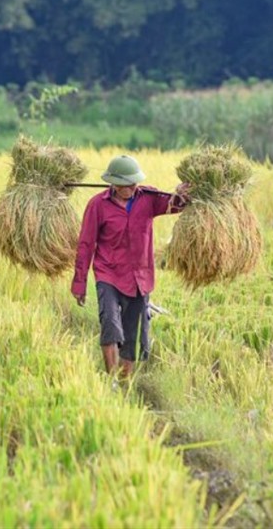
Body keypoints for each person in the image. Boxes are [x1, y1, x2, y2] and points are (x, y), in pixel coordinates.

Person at [71, 155, 190, 377]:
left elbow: (175, 205)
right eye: (127, 183)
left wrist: (183, 193)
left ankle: (124, 384)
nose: (133, 187)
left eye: (135, 182)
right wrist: (79, 284)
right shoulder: (98, 205)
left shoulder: (149, 198)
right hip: (109, 273)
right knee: (110, 324)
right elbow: (86, 245)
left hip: (139, 277)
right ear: (113, 183)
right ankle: (112, 380)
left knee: (134, 335)